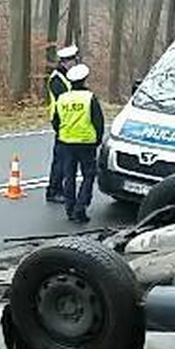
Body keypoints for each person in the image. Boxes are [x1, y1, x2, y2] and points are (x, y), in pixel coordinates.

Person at [51, 64, 105, 223]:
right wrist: (98, 139)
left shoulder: (62, 99)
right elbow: (98, 121)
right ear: (84, 80)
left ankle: (69, 208)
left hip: (66, 142)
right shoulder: (89, 98)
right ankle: (80, 207)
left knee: (69, 176)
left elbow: (55, 121)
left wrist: (63, 133)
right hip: (86, 143)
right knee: (88, 175)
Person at [45, 45, 80, 204]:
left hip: (70, 121)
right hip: (61, 122)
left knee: (67, 158)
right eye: (72, 61)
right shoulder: (57, 79)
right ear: (65, 62)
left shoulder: (68, 77)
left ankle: (60, 189)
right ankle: (53, 191)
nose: (74, 63)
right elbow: (65, 101)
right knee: (60, 158)